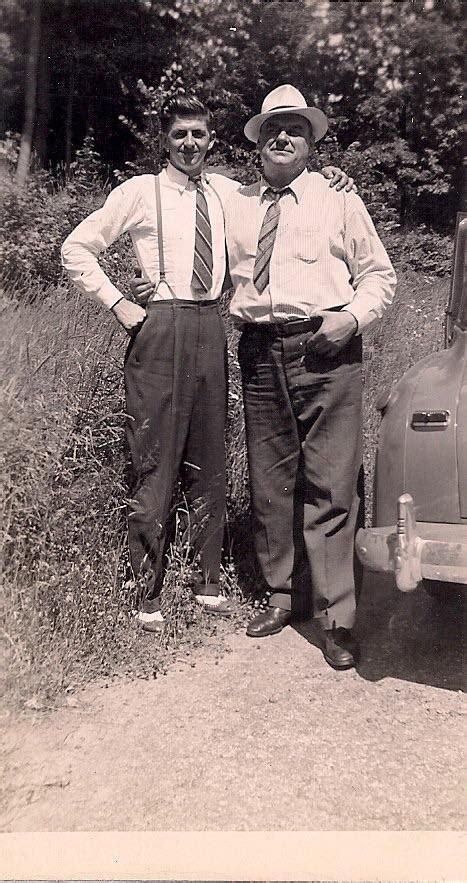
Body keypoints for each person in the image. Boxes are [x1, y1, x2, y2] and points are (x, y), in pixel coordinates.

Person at [61, 93, 355, 634]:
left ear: (211, 141)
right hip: (160, 324)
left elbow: (290, 181)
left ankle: (207, 580)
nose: (190, 144)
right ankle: (144, 587)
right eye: (179, 135)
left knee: (209, 454)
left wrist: (333, 175)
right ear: (163, 141)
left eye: (198, 134)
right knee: (156, 454)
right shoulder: (139, 192)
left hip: (212, 325)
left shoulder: (226, 190)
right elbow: (77, 248)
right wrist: (121, 303)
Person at [223, 84, 396, 669]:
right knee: (271, 481)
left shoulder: (338, 198)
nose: (282, 136)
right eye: (273, 127)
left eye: (294, 128)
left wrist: (350, 318)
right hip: (259, 350)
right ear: (258, 140)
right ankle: (281, 595)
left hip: (327, 351)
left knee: (331, 483)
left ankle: (335, 617)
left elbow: (380, 275)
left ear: (311, 142)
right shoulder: (235, 202)